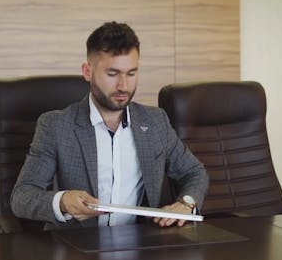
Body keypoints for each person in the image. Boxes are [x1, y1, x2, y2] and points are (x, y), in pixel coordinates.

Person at [11, 21, 209, 230]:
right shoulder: (56, 125)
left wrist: (187, 203)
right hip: (77, 249)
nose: (123, 85)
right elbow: (22, 196)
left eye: (131, 73)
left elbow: (195, 172)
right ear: (88, 72)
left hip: (142, 248)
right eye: (112, 74)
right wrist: (62, 201)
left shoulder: (155, 121)